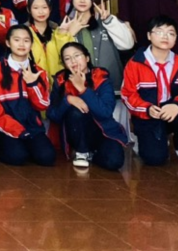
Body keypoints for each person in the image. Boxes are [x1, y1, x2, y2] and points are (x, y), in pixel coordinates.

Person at [121, 15, 178, 168]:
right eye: (159, 32)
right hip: (148, 113)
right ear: (149, 36)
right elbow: (127, 95)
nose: (165, 36)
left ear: (175, 38)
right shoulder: (136, 63)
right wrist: (147, 108)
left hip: (171, 111)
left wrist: (177, 105)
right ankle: (144, 138)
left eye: (171, 33)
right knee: (154, 159)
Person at [48, 42, 128, 171]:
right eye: (67, 58)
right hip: (77, 133)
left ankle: (93, 155)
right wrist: (68, 100)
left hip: (103, 131)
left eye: (77, 56)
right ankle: (82, 152)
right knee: (75, 111)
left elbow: (105, 112)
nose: (73, 61)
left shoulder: (101, 77)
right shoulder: (61, 80)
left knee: (114, 162)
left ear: (87, 58)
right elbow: (52, 115)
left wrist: (83, 89)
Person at [0, 24, 55, 167]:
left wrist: (32, 84)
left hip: (32, 127)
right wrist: (16, 129)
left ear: (31, 44)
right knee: (17, 157)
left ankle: (26, 146)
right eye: (17, 40)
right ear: (8, 43)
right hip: (7, 126)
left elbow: (43, 105)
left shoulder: (39, 72)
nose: (22, 44)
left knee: (47, 157)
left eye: (26, 40)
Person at [65, 0, 134, 86]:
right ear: (72, 0)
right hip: (81, 88)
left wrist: (109, 21)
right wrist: (69, 34)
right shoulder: (66, 26)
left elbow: (128, 44)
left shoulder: (106, 20)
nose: (82, 0)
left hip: (112, 85)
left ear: (92, 0)